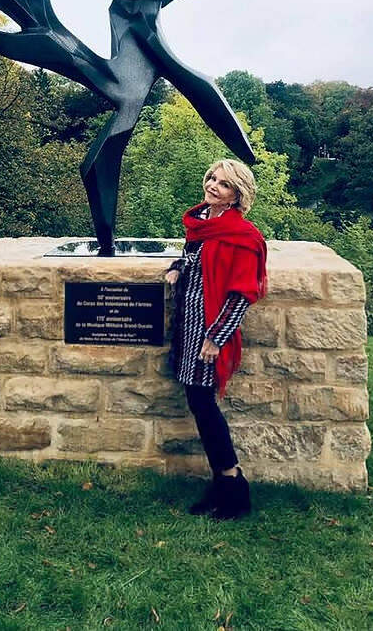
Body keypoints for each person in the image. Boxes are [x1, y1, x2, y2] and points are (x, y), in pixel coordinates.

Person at [165, 159, 267, 520]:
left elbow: (242, 294)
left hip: (209, 333)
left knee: (204, 406)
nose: (212, 185)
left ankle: (233, 484)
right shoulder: (202, 224)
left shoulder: (242, 236)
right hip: (187, 327)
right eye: (212, 178)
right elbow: (192, 259)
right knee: (199, 403)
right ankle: (220, 484)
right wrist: (176, 268)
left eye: (223, 184)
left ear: (236, 196)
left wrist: (215, 338)